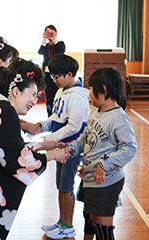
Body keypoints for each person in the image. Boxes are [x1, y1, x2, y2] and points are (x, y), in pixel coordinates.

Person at [0, 66, 70, 239]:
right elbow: (18, 160)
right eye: (33, 94)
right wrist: (53, 156)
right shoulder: (5, 110)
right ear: (15, 91)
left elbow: (8, 149)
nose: (35, 100)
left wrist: (44, 146)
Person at [59, 67, 137, 240]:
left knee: (103, 228)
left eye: (92, 89)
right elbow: (86, 138)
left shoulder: (118, 118)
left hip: (106, 181)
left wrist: (104, 164)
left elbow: (130, 148)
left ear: (104, 89)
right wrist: (71, 149)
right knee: (90, 219)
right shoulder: (95, 112)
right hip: (90, 178)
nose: (89, 94)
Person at [27, 53, 90, 239]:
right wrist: (42, 126)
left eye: (57, 77)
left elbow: (74, 127)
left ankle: (68, 225)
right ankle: (61, 222)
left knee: (67, 185)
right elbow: (57, 117)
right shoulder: (63, 91)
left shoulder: (78, 96)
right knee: (60, 185)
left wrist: (51, 140)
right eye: (52, 76)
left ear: (70, 75)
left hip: (71, 148)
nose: (54, 80)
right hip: (59, 145)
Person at [38, 24, 66, 117]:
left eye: (51, 32)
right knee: (48, 95)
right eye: (47, 33)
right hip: (46, 74)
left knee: (58, 94)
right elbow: (40, 52)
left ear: (55, 33)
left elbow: (62, 50)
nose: (49, 34)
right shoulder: (45, 46)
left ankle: (59, 114)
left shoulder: (59, 44)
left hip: (57, 73)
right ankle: (49, 115)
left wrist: (54, 39)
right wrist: (44, 40)